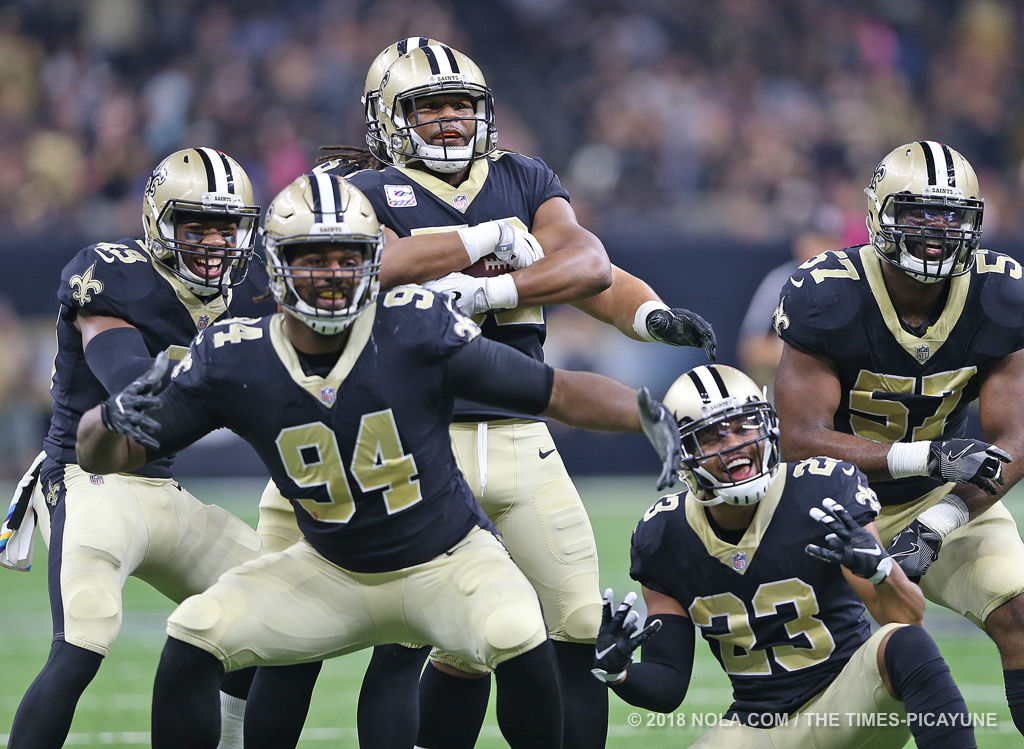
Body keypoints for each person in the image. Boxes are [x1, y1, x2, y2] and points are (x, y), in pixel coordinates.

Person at [72, 172, 683, 749]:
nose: (331, 275)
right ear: (278, 266)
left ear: (373, 262)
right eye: (313, 258)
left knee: (516, 633)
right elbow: (117, 454)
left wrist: (648, 415)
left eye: (346, 257)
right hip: (330, 570)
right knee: (195, 633)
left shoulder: (414, 329)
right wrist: (107, 418)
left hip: (445, 564)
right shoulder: (238, 356)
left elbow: (554, 390)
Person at [301, 40, 717, 749]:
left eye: (461, 105)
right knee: (426, 639)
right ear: (387, 118)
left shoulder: (522, 176)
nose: (450, 121)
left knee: (578, 622)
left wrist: (642, 314)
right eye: (428, 107)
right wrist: (482, 241)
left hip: (526, 432)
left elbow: (589, 265)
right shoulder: (360, 194)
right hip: (421, 439)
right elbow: (369, 270)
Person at [6, 147, 275, 749]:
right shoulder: (115, 271)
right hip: (88, 479)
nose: (213, 242)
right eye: (196, 225)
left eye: (227, 227)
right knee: (85, 637)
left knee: (272, 602)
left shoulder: (255, 288)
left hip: (163, 489)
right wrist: (199, 376)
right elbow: (123, 369)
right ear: (158, 221)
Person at [773, 140, 1024, 736]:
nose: (938, 232)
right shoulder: (828, 293)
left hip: (939, 496)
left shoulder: (1001, 293)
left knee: (1019, 611)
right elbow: (798, 438)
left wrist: (942, 520)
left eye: (953, 216)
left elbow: (1016, 436)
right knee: (837, 672)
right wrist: (927, 456)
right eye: (919, 214)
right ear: (879, 213)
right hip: (825, 502)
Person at [594, 363, 977, 748]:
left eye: (744, 426)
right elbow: (667, 683)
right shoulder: (663, 534)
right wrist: (620, 672)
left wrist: (880, 569)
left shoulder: (820, 488)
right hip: (755, 726)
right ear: (679, 452)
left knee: (903, 642)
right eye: (711, 436)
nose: (734, 446)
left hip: (848, 703)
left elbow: (906, 618)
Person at [737, 224, 841, 392]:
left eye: (830, 241)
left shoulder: (850, 284)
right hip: (791, 377)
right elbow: (751, 349)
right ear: (801, 243)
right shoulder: (780, 282)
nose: (825, 249)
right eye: (819, 240)